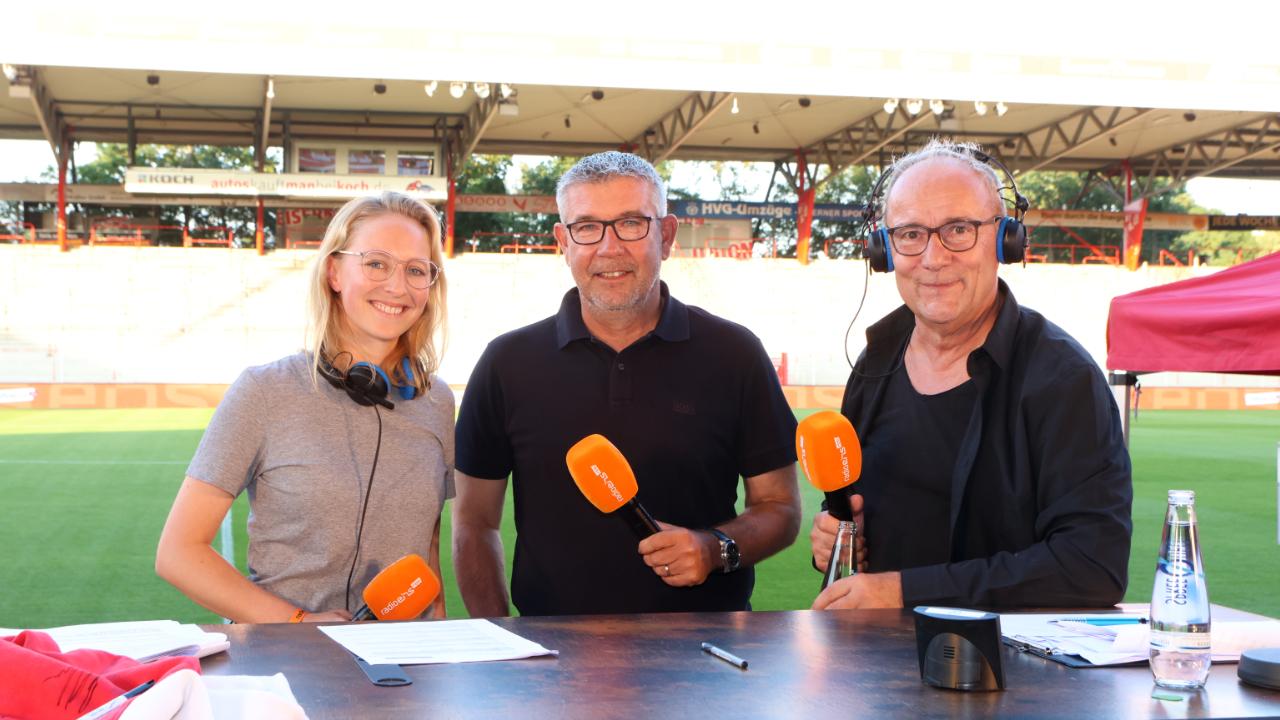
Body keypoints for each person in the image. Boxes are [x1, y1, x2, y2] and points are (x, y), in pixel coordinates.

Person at [452, 151, 801, 617]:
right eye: (587, 227)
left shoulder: (735, 353)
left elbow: (780, 506)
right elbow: (474, 523)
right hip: (554, 661)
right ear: (563, 241)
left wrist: (714, 548)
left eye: (632, 224)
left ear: (667, 235)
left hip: (703, 658)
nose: (609, 248)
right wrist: (498, 638)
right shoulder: (506, 362)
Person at [811, 139, 1132, 610]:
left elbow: (1091, 567)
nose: (933, 258)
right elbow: (857, 519)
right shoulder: (874, 365)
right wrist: (838, 537)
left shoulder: (1064, 381)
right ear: (884, 249)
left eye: (958, 229)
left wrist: (904, 592)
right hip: (874, 671)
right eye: (910, 234)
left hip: (1011, 675)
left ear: (1006, 239)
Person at [156, 191, 453, 623]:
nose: (397, 286)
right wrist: (296, 622)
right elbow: (178, 552)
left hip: (409, 671)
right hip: (289, 667)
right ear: (334, 271)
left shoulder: (437, 401)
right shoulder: (263, 391)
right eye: (376, 263)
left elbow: (426, 549)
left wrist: (438, 639)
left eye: (416, 270)